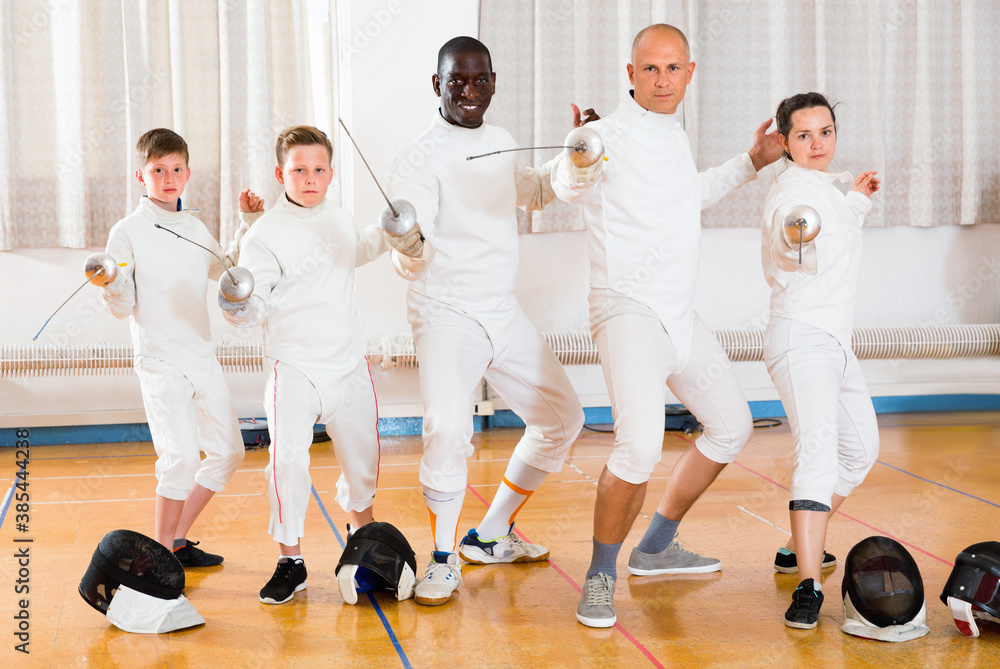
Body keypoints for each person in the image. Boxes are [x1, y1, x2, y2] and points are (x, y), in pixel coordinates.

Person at [550, 24, 784, 628]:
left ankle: (655, 546)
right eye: (649, 69)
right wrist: (577, 157)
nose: (661, 80)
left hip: (680, 314)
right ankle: (600, 575)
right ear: (630, 74)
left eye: (672, 69)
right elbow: (567, 182)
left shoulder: (672, 134)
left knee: (731, 426)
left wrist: (752, 161)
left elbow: (688, 194)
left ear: (690, 72)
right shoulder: (601, 136)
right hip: (625, 309)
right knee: (639, 446)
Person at [387, 36, 585, 607]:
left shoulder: (500, 140)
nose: (469, 92)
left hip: (502, 309)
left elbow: (536, 191)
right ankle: (443, 557)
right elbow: (411, 239)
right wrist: (408, 240)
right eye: (456, 82)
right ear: (437, 86)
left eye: (479, 81)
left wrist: (579, 153)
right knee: (448, 429)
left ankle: (490, 534)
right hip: (448, 312)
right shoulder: (420, 155)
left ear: (494, 82)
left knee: (562, 417)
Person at [220, 126, 430, 605]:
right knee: (286, 459)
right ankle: (290, 559)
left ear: (331, 174)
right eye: (299, 170)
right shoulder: (264, 234)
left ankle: (363, 533)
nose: (309, 178)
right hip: (294, 367)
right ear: (281, 174)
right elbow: (254, 304)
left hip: (347, 364)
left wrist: (390, 230)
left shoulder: (337, 217)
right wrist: (237, 308)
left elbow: (353, 250)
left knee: (363, 460)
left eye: (318, 170)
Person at [97, 128, 246, 568]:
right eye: (158, 170)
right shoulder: (127, 232)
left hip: (202, 356)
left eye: (176, 169)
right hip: (160, 361)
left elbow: (229, 271)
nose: (168, 178)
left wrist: (248, 222)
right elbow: (122, 307)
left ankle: (176, 542)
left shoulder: (195, 226)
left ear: (187, 174)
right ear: (140, 176)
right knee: (179, 459)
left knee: (228, 452)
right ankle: (158, 559)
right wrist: (111, 283)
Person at [761, 92, 880, 629]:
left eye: (825, 132)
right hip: (800, 340)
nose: (817, 144)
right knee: (818, 457)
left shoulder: (826, 189)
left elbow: (834, 234)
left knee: (860, 451)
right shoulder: (790, 194)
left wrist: (855, 199)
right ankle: (807, 589)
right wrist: (796, 232)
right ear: (784, 141)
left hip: (834, 342)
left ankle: (794, 548)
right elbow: (795, 233)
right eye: (804, 135)